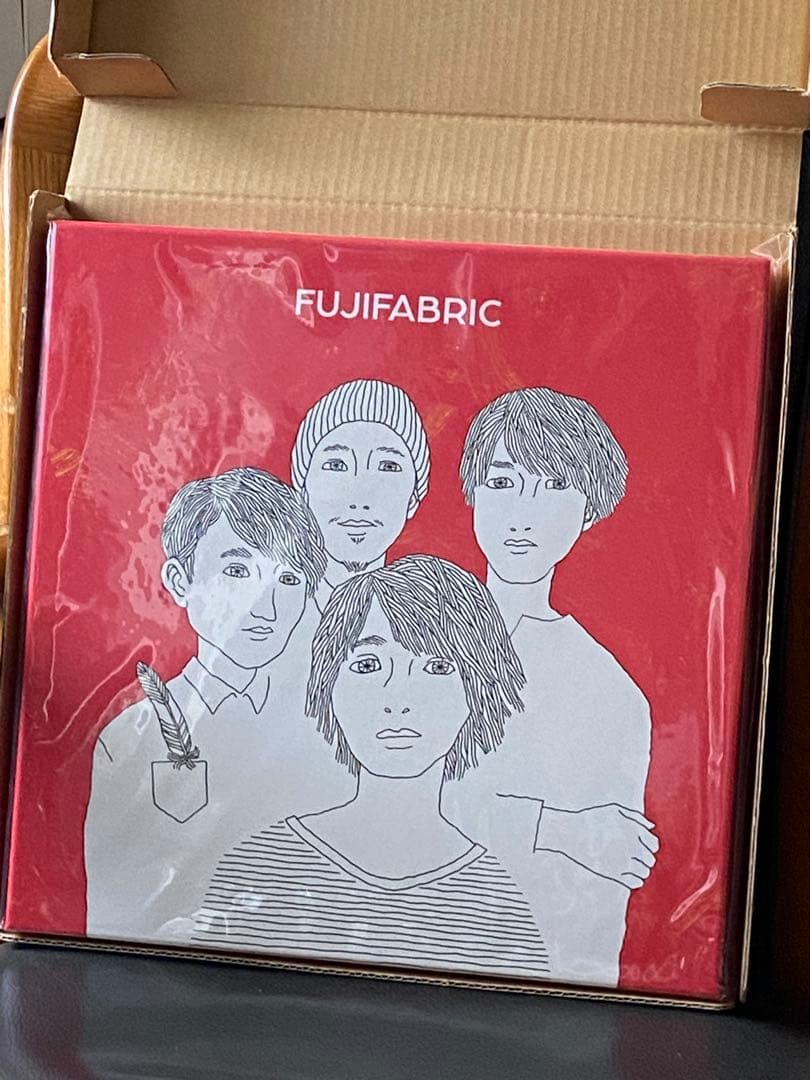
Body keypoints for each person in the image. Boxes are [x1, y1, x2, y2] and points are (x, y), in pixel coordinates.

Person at [192, 555, 551, 980]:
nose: (398, 698)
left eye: (437, 667)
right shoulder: (257, 866)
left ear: (479, 690)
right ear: (327, 686)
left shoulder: (500, 906)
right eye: (367, 665)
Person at [84, 467, 355, 943]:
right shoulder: (131, 737)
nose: (266, 607)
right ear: (179, 580)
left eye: (289, 579)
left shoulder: (332, 734)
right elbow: (112, 915)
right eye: (236, 571)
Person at [444, 386, 656, 988]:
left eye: (555, 486)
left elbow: (605, 879)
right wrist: (556, 830)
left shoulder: (609, 692)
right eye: (503, 481)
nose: (523, 512)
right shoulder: (400, 635)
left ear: (588, 510)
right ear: (473, 492)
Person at [291, 379, 430, 609]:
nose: (359, 498)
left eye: (387, 466)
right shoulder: (272, 615)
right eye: (336, 465)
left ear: (413, 499)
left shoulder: (425, 616)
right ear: (303, 493)